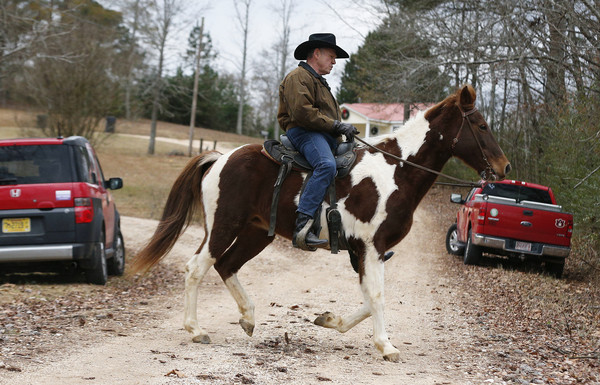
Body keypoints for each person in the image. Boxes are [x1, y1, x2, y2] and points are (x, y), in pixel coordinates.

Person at [277, 33, 358, 251]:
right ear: (316, 53)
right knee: (326, 165)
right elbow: (304, 114)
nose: (333, 62)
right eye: (331, 56)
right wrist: (337, 126)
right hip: (304, 132)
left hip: (322, 135)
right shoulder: (298, 77)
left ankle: (356, 238)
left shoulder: (318, 82)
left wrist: (341, 131)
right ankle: (303, 227)